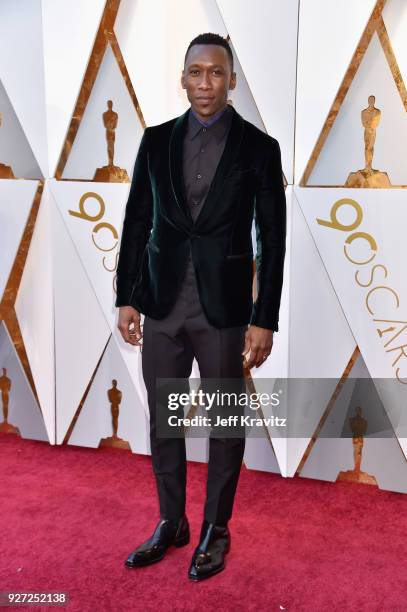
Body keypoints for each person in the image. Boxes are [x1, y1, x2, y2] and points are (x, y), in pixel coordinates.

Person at [116, 32, 286, 581]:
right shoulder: (155, 141)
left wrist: (264, 318)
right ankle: (172, 522)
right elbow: (137, 221)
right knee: (164, 423)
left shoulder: (259, 149)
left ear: (232, 80)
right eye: (196, 72)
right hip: (162, 306)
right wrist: (127, 296)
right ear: (183, 77)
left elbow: (272, 240)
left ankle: (216, 527)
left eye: (216, 73)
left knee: (225, 424)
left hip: (224, 312)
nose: (205, 82)